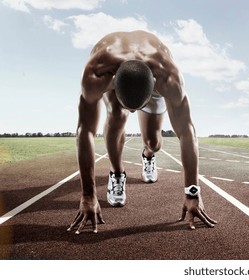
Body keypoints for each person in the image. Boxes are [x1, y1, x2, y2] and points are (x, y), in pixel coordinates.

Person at [67, 30, 217, 234]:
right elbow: (85, 131)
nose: (132, 112)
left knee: (154, 142)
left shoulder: (168, 77)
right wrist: (87, 195)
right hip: (114, 76)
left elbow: (186, 130)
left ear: (155, 88)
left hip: (149, 74)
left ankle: (148, 155)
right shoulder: (96, 73)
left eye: (137, 108)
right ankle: (117, 173)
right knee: (117, 116)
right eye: (129, 106)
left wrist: (192, 193)